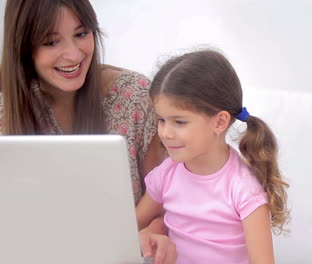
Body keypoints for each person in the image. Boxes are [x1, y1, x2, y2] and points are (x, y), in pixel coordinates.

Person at [0, 1, 175, 262]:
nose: (73, 55)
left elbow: (167, 196)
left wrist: (153, 231)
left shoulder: (135, 95)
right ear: (24, 48)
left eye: (81, 34)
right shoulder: (6, 112)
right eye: (51, 42)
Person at [136, 50, 290, 264]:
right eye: (161, 120)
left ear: (219, 122)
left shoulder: (244, 190)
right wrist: (144, 235)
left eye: (179, 122)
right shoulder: (167, 173)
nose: (165, 133)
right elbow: (132, 226)